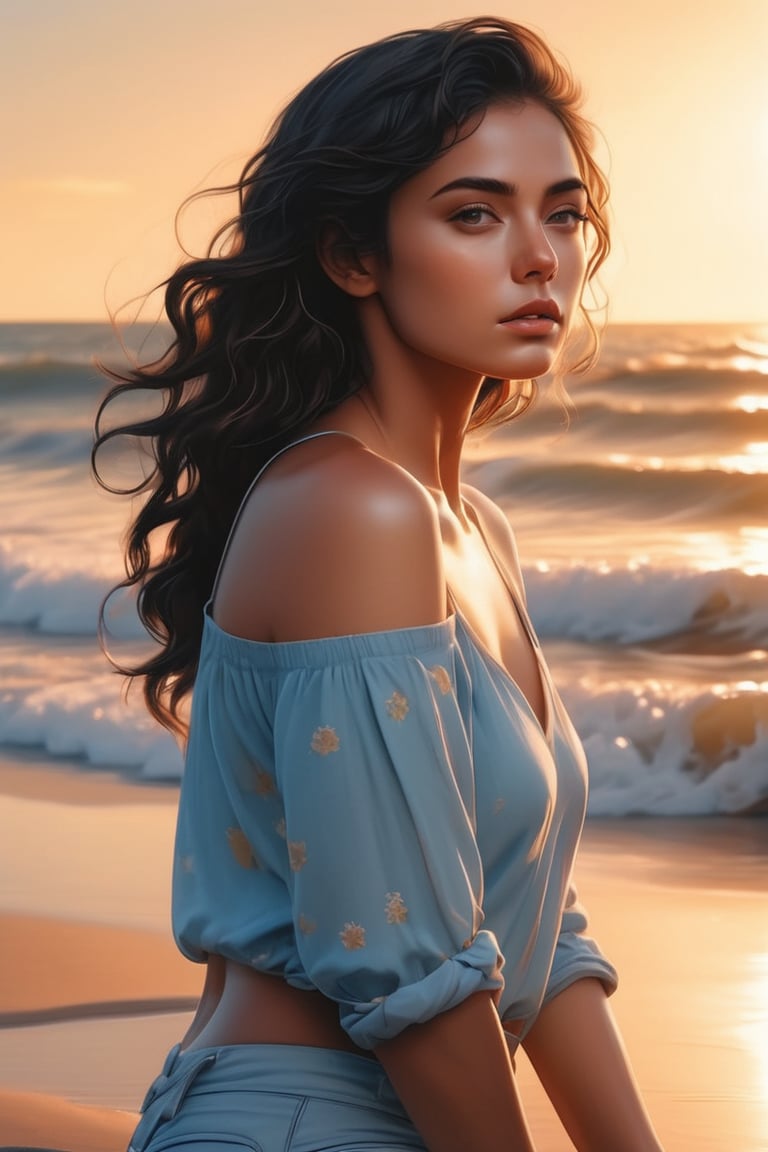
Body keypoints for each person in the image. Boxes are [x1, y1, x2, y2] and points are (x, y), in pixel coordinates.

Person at [94, 16, 664, 1152]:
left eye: (562, 212)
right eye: (474, 213)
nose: (539, 255)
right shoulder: (349, 509)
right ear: (353, 255)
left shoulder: (470, 531)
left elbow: (532, 934)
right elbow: (407, 977)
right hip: (297, 1123)